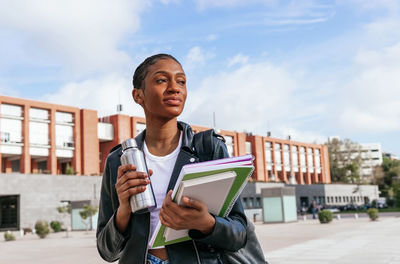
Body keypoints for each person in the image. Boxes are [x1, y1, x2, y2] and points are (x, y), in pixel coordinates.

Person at [96, 54, 247, 264]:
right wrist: (123, 210)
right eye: (161, 80)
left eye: (181, 81)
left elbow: (240, 234)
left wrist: (206, 223)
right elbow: (107, 251)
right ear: (138, 95)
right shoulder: (118, 160)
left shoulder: (208, 149)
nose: (175, 88)